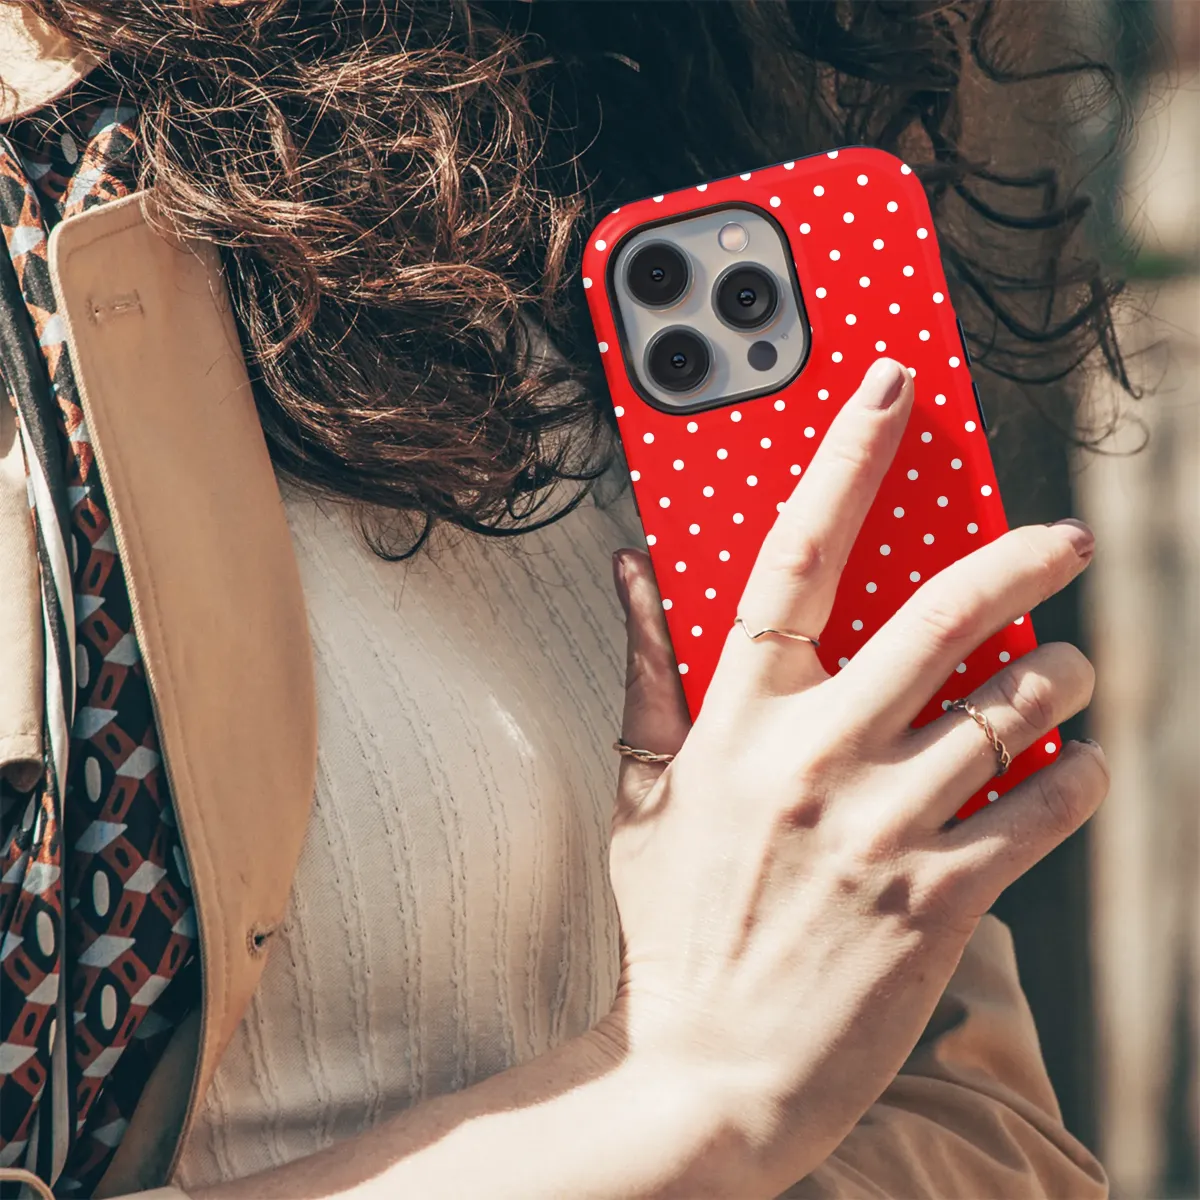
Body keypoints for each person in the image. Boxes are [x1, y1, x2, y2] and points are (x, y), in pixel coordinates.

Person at [0, 4, 1121, 1197]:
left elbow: (989, 1137)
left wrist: (740, 1093)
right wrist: (686, 1091)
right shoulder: (44, 252)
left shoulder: (623, 160)